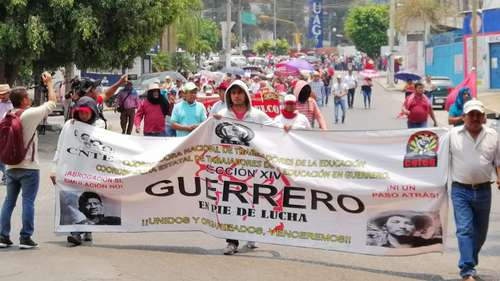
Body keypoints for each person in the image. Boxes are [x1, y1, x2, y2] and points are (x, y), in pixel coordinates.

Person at [215, 80, 275, 255]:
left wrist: (286, 128)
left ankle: (251, 234)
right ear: (229, 96)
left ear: (246, 95)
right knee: (229, 202)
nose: (236, 96)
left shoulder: (257, 115)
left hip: (252, 168)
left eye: (239, 92)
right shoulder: (222, 114)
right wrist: (213, 121)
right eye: (233, 93)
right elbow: (208, 129)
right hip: (229, 169)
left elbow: (274, 128)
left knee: (252, 200)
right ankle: (231, 241)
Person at [0, 72, 56, 249]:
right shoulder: (29, 115)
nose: (30, 99)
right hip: (29, 167)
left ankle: (2, 236)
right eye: (28, 97)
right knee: (28, 201)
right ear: (23, 100)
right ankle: (25, 237)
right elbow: (52, 103)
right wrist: (50, 83)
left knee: (9, 201)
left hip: (10, 165)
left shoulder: (7, 116)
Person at [449, 99, 500, 281]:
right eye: (471, 115)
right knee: (464, 230)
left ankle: (469, 260)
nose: (475, 118)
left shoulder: (493, 135)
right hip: (460, 190)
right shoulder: (452, 135)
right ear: (464, 117)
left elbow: (498, 161)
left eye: (479, 115)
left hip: (484, 191)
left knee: (480, 233)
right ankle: (467, 270)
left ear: (484, 117)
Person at [51, 96, 106, 246]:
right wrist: (54, 168)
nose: (83, 115)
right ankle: (76, 233)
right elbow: (61, 147)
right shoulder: (69, 125)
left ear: (93, 111)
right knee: (72, 199)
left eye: (86, 112)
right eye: (80, 112)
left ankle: (87, 230)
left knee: (88, 199)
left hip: (92, 170)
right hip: (72, 169)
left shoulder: (99, 126)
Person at [367, 211, 442, 248]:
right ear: (384, 226)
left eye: (408, 223)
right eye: (395, 222)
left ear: (415, 228)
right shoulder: (375, 244)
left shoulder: (430, 244)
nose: (402, 226)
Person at [0, 84, 13, 185]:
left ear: (9, 93)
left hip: (9, 133)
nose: (2, 96)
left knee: (5, 155)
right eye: (0, 94)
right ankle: (6, 173)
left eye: (4, 94)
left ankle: (6, 174)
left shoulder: (13, 104)